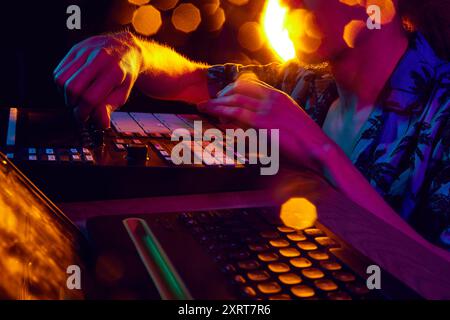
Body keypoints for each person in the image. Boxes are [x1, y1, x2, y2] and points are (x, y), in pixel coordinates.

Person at [53, 0, 449, 250]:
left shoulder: (442, 111)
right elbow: (191, 79)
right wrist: (131, 50)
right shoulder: (305, 83)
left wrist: (320, 152)